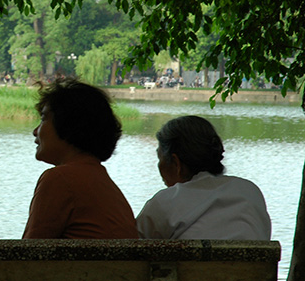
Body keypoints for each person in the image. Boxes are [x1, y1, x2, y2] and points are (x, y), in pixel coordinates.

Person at [22, 78, 138, 239]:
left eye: (43, 119)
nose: (35, 131)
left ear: (68, 124)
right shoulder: (100, 181)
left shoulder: (60, 179)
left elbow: (26, 256)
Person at [137, 115, 271, 240]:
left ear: (176, 163)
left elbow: (129, 250)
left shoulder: (164, 203)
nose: (159, 166)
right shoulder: (249, 191)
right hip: (252, 265)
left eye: (160, 159)